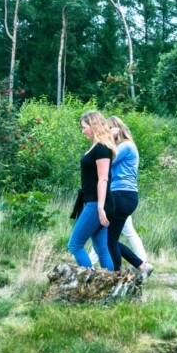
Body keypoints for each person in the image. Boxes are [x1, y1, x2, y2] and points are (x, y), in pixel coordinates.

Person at [106, 116, 154, 280]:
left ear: (118, 129)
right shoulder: (123, 146)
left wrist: (105, 141)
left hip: (122, 194)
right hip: (122, 195)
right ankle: (142, 266)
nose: (107, 132)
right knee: (109, 238)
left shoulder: (126, 146)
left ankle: (117, 276)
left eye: (109, 129)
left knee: (109, 239)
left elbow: (107, 161)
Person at [68, 111, 115, 270]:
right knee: (101, 249)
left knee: (75, 244)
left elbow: (103, 179)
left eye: (84, 127)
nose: (83, 131)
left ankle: (88, 279)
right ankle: (109, 283)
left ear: (94, 126)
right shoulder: (96, 147)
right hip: (93, 201)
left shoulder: (101, 149)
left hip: (97, 203)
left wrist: (100, 208)